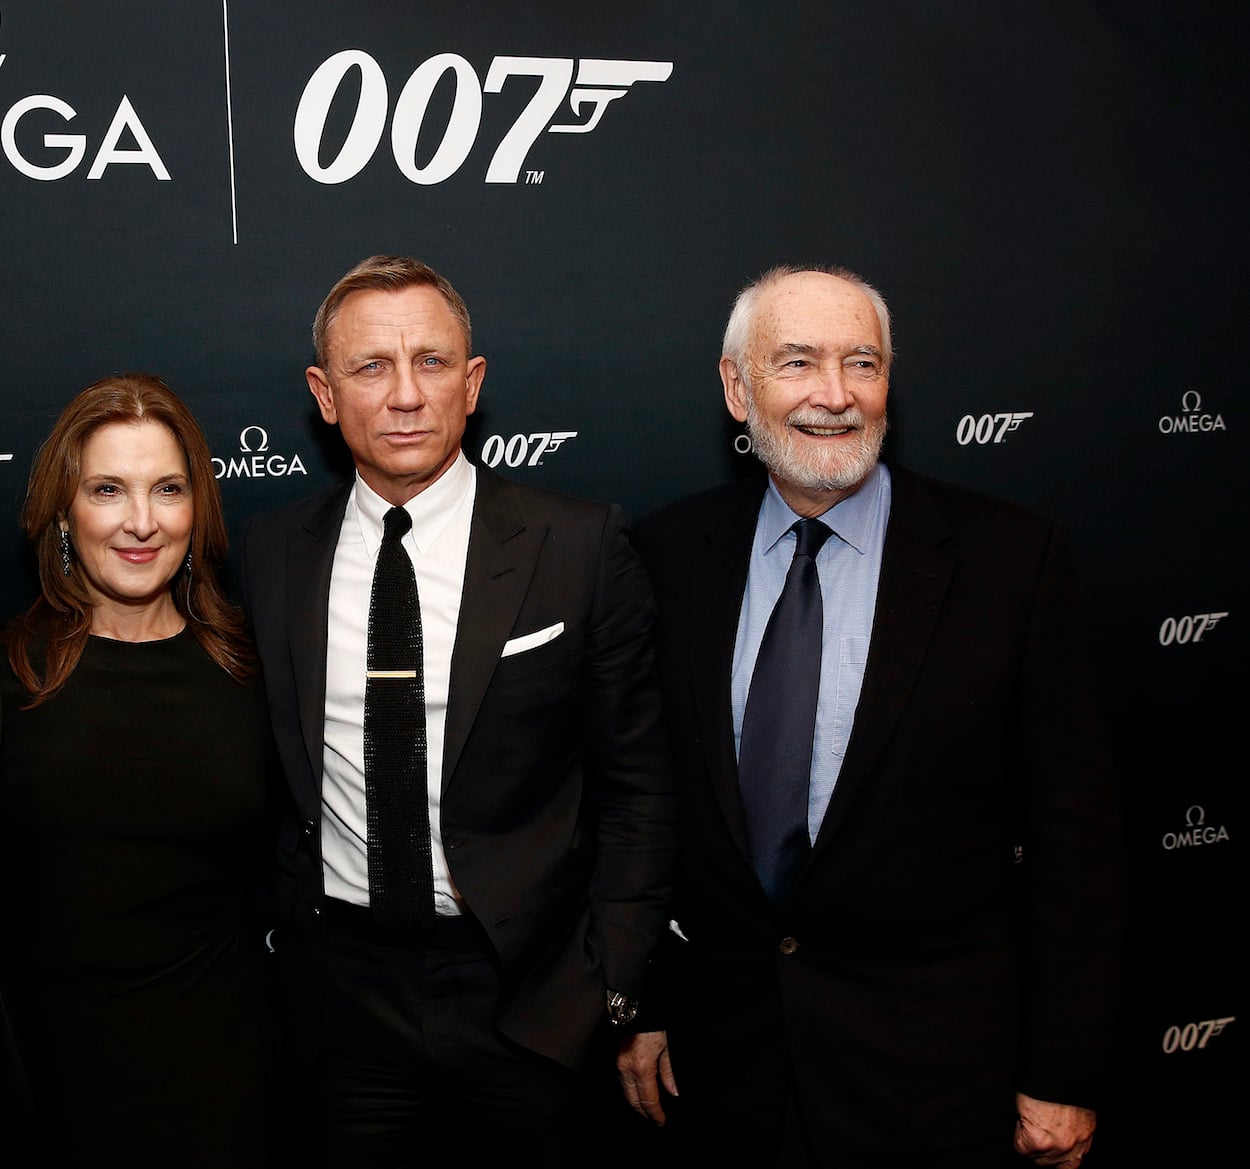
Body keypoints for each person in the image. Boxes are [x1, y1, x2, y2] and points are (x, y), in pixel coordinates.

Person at [623, 267, 1122, 1169]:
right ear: (737, 387)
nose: (836, 394)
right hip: (724, 1072)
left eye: (863, 362)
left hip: (933, 1079)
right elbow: (644, 809)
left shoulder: (1013, 561)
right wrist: (644, 1003)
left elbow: (1075, 840)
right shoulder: (666, 555)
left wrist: (1063, 1065)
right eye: (797, 362)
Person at [239, 255, 673, 1164]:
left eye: (431, 362)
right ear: (324, 395)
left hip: (529, 990)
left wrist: (616, 987)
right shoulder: (271, 554)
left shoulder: (578, 544)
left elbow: (638, 788)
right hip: (341, 994)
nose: (405, 395)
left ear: (471, 385)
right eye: (371, 366)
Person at [0, 374, 277, 1168]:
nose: (142, 521)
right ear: (63, 512)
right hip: (52, 1079)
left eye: (167, 488)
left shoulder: (254, 669)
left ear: (198, 508)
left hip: (228, 1077)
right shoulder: (14, 676)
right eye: (108, 489)